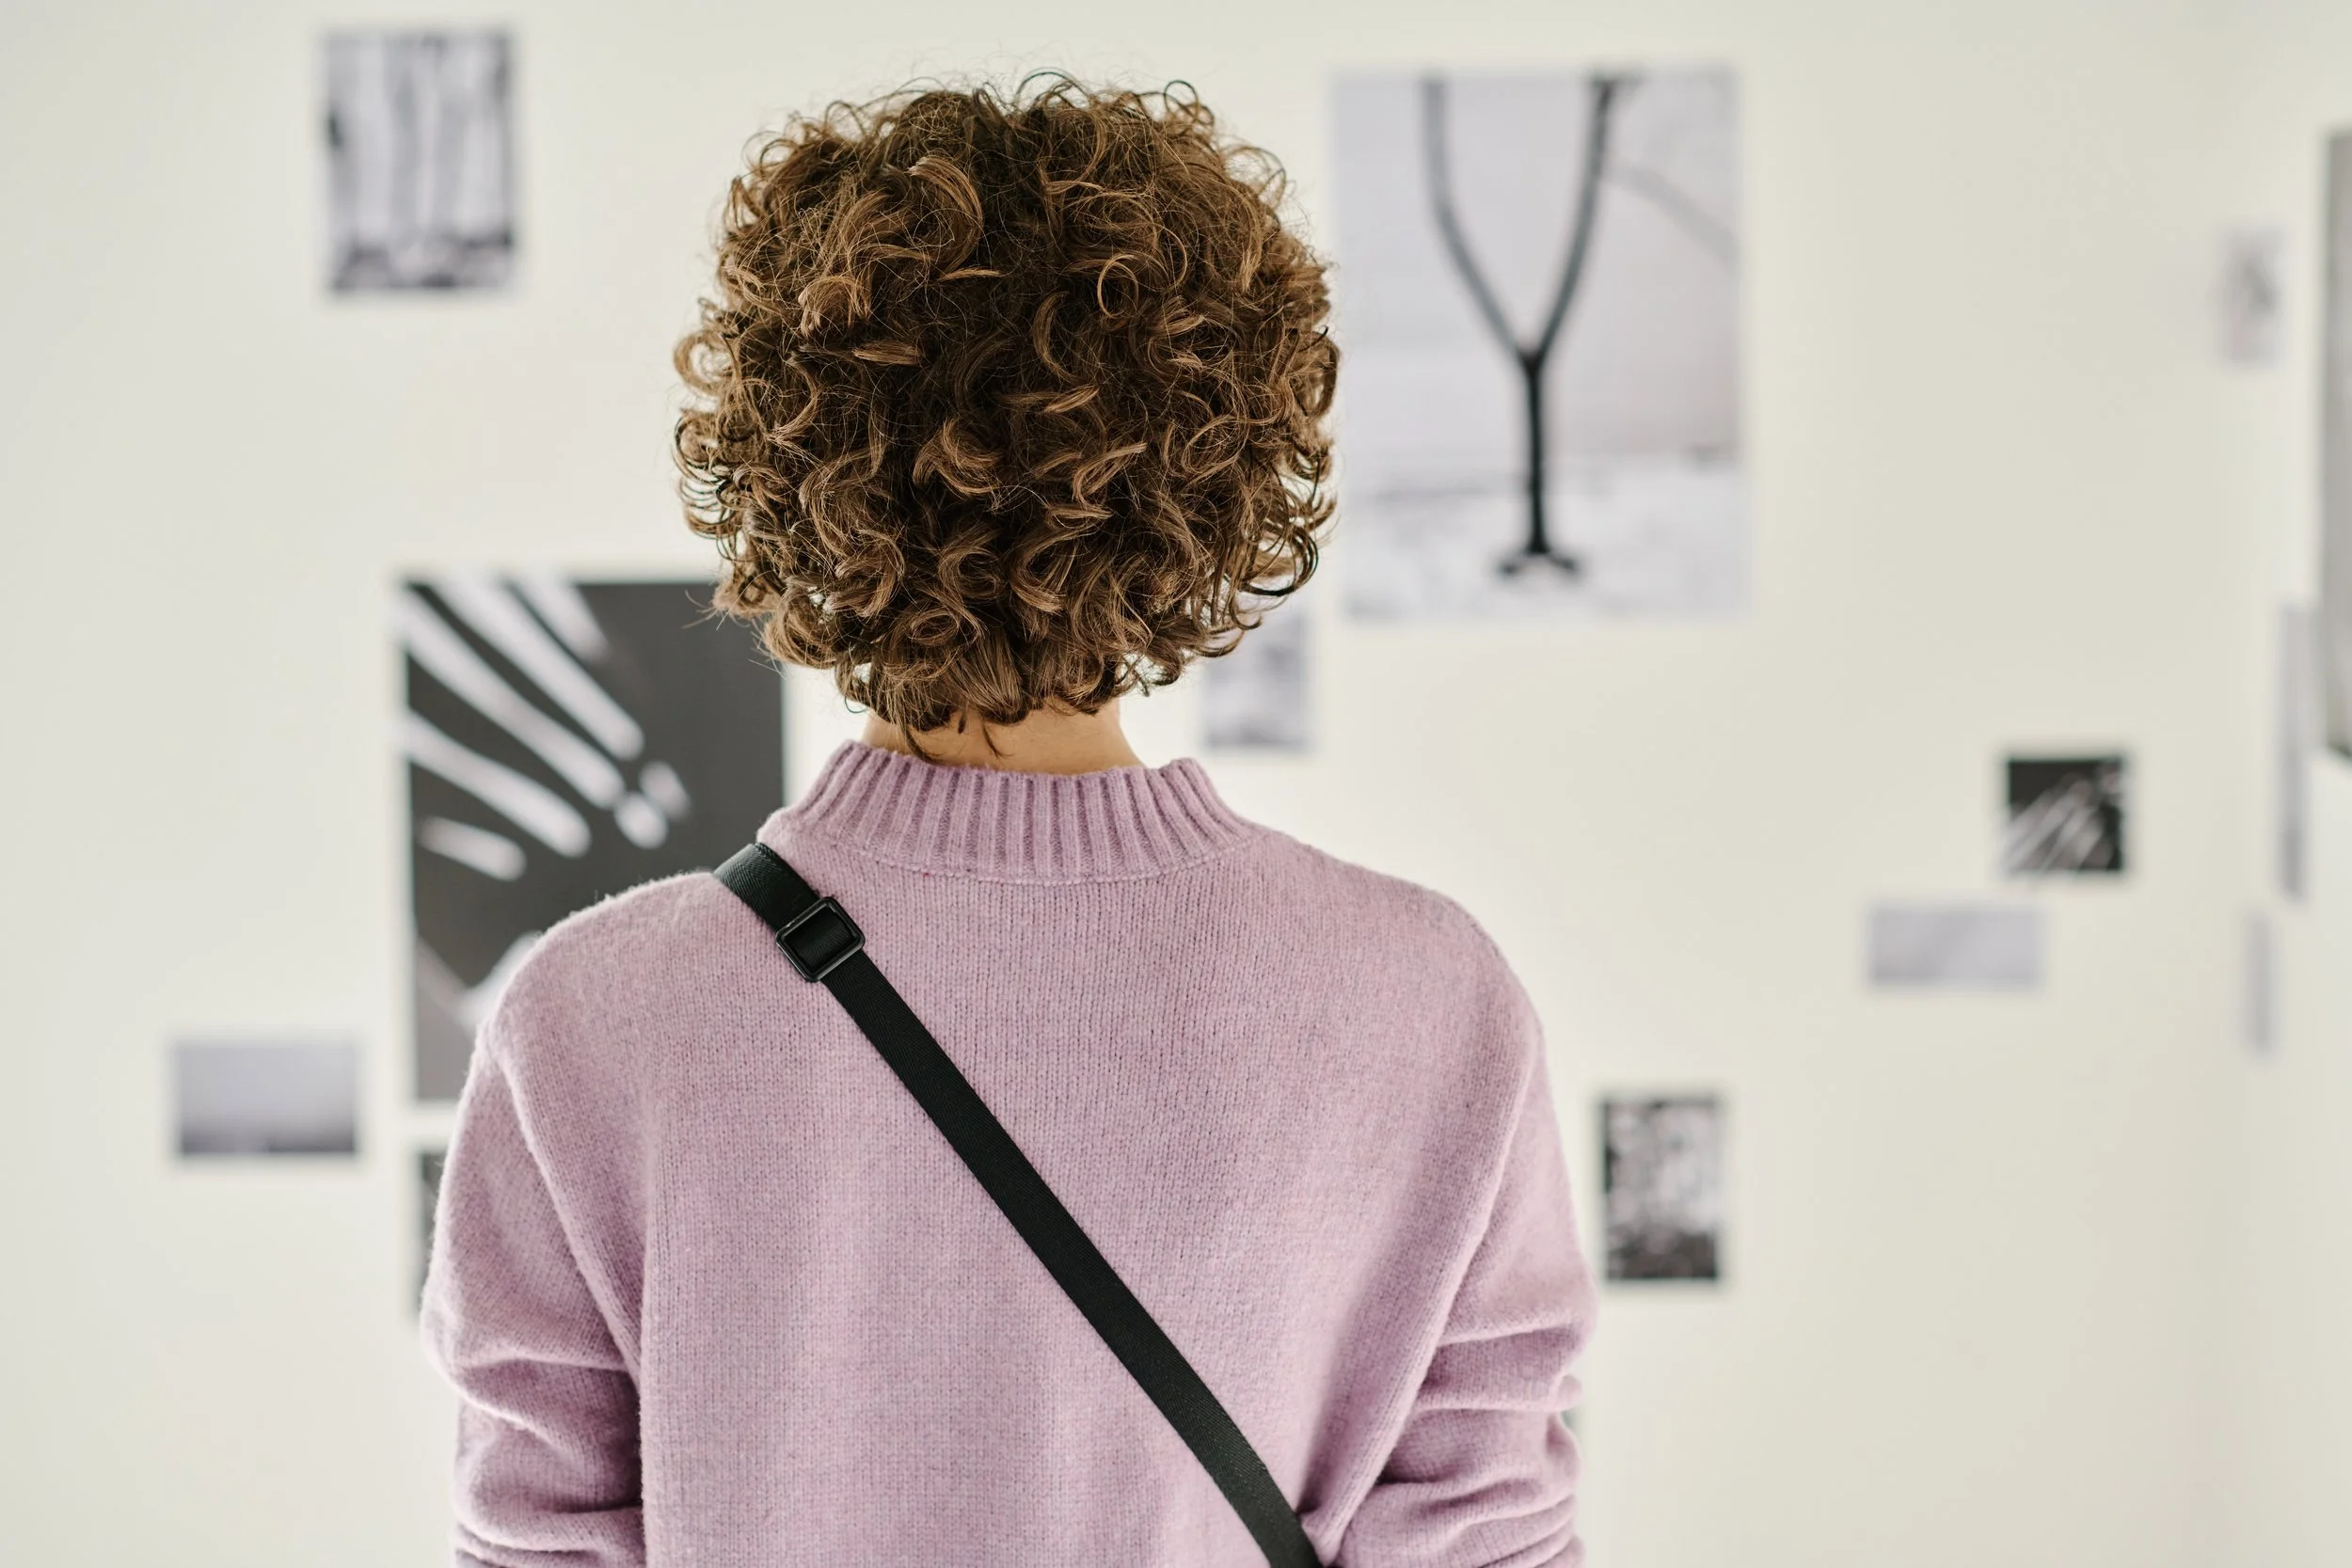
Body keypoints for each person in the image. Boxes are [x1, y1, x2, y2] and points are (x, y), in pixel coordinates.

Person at [421, 76, 1596, 1566]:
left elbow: (536, 1541)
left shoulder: (588, 1022)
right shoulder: (1434, 1005)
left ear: (798, 478)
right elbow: (1482, 1541)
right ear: (1219, 477)